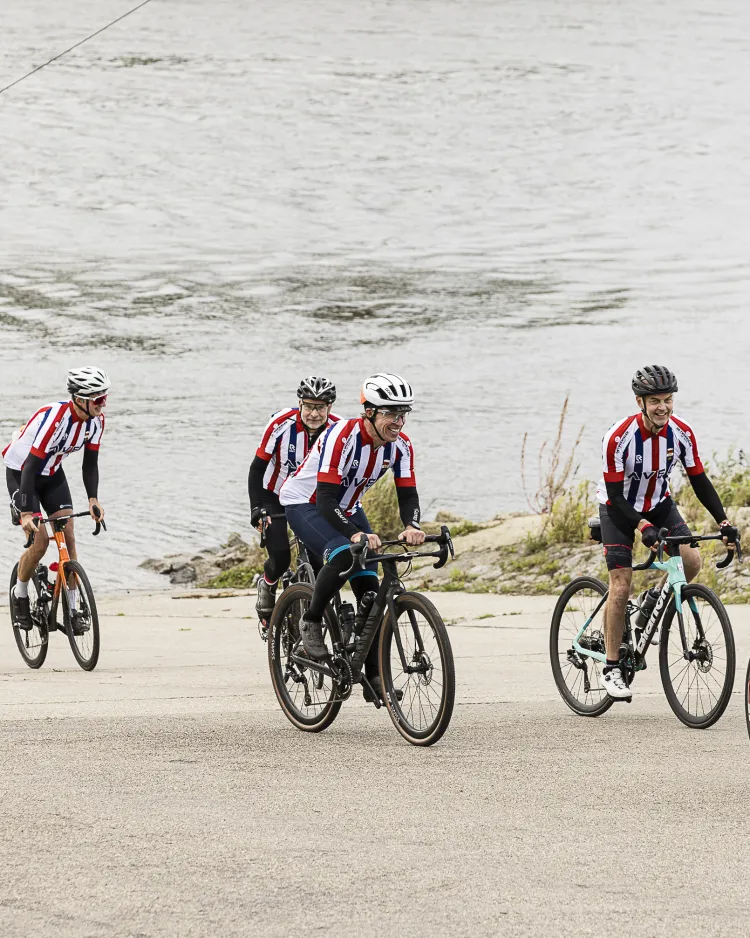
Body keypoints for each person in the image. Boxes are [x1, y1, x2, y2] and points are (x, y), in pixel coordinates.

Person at [280, 372, 424, 702]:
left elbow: (408, 493)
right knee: (344, 552)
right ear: (369, 412)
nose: (398, 421)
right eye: (391, 413)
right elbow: (326, 498)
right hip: (307, 502)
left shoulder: (400, 446)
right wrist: (355, 532)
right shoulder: (341, 437)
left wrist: (412, 525)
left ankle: (373, 676)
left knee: (370, 592)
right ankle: (311, 620)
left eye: (403, 413)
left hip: (345, 505)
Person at [596, 365, 737, 700]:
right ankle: (612, 666)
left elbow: (699, 479)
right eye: (655, 400)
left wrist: (723, 521)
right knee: (621, 583)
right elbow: (615, 496)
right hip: (617, 507)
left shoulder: (681, 433)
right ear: (640, 402)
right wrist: (642, 526)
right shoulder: (619, 437)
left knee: (690, 561)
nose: (663, 407)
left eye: (668, 400)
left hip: (659, 502)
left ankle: (650, 602)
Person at [4, 366, 109, 630]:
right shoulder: (56, 420)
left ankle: (73, 608)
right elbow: (29, 466)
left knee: (68, 534)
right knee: (39, 543)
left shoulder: (96, 421)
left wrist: (93, 499)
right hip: (22, 471)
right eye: (98, 399)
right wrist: (27, 512)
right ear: (80, 399)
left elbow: (90, 464)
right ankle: (20, 594)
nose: (103, 403)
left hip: (51, 472)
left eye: (104, 397)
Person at [248, 376, 338, 629]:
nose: (314, 413)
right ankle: (267, 584)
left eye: (320, 407)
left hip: (310, 499)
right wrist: (257, 509)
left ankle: (311, 615)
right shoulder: (280, 423)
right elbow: (257, 469)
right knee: (279, 554)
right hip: (274, 495)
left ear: (329, 408)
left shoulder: (338, 429)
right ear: (299, 403)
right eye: (308, 406)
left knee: (320, 561)